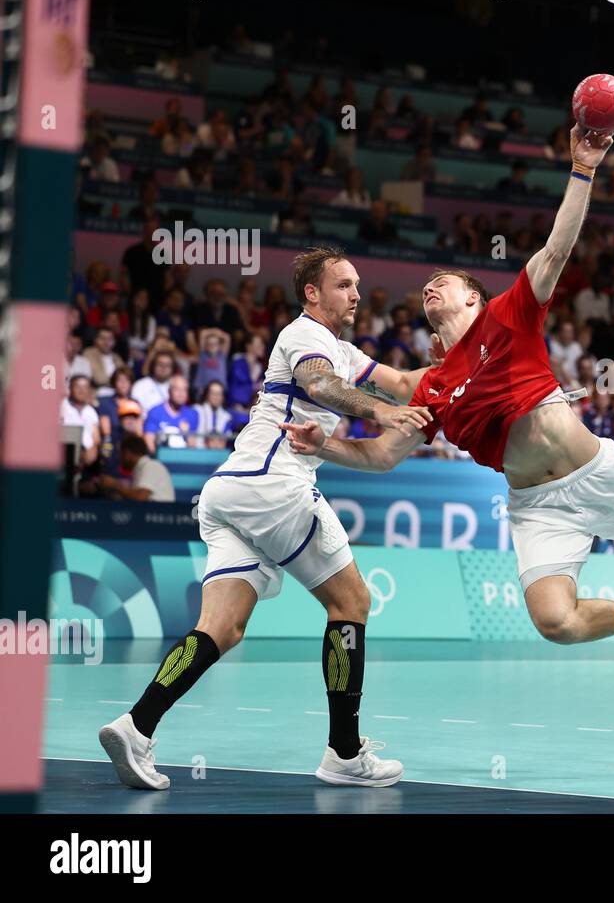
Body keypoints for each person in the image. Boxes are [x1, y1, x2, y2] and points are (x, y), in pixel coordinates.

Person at [280, 127, 614, 660]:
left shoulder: (509, 314)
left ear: (473, 296)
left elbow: (558, 247)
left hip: (597, 473)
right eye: (425, 287)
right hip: (538, 506)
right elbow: (382, 453)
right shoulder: (432, 386)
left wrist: (583, 168)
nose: (430, 287)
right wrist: (324, 445)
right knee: (556, 623)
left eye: (442, 282)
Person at [98, 247, 434, 793]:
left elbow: (405, 383)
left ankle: (136, 726)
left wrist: (467, 374)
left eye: (356, 284)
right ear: (313, 294)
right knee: (351, 603)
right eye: (344, 285)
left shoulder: (344, 351)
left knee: (221, 629)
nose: (355, 294)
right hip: (275, 485)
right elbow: (324, 387)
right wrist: (382, 413)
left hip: (230, 491)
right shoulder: (306, 337)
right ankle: (344, 753)